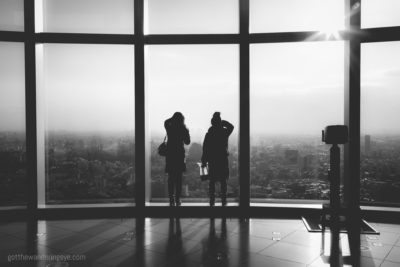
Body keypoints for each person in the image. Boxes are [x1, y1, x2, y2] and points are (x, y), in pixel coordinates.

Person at [201, 112, 234, 207]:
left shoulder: (209, 134)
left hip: (212, 159)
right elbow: (231, 127)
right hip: (222, 158)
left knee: (212, 180)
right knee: (223, 180)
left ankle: (212, 199)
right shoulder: (223, 132)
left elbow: (205, 148)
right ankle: (224, 199)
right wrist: (223, 123)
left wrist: (204, 160)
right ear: (219, 122)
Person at [164, 112, 190, 206]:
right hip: (179, 155)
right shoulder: (183, 129)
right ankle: (178, 199)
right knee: (178, 178)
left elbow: (166, 122)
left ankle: (171, 199)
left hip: (170, 155)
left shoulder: (170, 128)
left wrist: (172, 118)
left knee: (171, 178)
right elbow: (187, 142)